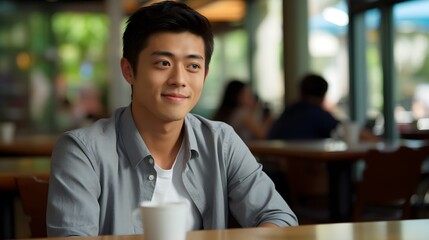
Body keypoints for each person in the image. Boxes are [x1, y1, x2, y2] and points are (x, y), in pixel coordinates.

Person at [46, 1, 298, 237]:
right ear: (128, 70)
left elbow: (279, 218)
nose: (179, 79)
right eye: (163, 63)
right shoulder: (83, 152)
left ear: (205, 74)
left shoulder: (221, 142)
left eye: (193, 66)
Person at [267, 73, 380, 141]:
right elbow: (346, 130)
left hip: (271, 170)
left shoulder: (289, 111)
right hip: (299, 172)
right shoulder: (317, 114)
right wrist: (378, 141)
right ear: (323, 97)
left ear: (300, 93)